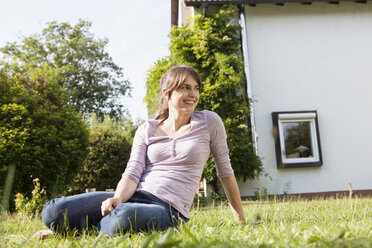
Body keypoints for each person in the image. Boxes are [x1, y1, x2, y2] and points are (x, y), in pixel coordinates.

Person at [35, 65, 246, 239]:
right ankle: (81, 227)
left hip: (169, 210)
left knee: (124, 217)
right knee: (53, 210)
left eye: (196, 88)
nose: (193, 94)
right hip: (134, 196)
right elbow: (132, 172)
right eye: (185, 88)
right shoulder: (147, 128)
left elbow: (225, 172)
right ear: (167, 92)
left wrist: (240, 219)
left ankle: (75, 233)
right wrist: (117, 198)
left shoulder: (209, 122)